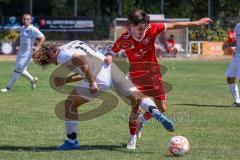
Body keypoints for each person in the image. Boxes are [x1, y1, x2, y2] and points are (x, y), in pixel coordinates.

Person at [32, 40, 175, 150]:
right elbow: (85, 66)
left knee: (70, 104)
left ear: (51, 54)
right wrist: (66, 80)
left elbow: (82, 63)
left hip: (98, 78)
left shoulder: (63, 56)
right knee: (136, 96)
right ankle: (154, 111)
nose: (52, 63)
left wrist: (92, 81)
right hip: (110, 68)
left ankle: (72, 141)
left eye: (49, 61)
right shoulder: (72, 44)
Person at [104, 9, 212, 139]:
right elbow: (112, 50)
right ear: (131, 26)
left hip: (154, 75)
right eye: (139, 29)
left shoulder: (152, 29)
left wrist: (197, 23)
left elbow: (174, 25)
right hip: (136, 77)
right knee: (136, 108)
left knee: (162, 108)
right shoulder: (124, 39)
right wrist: (109, 55)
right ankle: (131, 139)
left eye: (144, 29)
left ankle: (142, 122)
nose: (142, 32)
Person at [1, 14, 45, 93]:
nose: (26, 21)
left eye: (28, 19)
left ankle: (8, 88)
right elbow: (21, 38)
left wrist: (37, 47)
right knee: (22, 70)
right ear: (22, 20)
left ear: (31, 20)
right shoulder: (22, 28)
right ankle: (32, 80)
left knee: (17, 70)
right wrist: (15, 41)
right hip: (20, 54)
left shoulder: (33, 29)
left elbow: (42, 37)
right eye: (24, 19)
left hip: (28, 54)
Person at [225, 23, 240, 107]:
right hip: (236, 57)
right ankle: (237, 101)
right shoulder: (237, 26)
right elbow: (236, 41)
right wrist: (229, 45)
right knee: (230, 78)